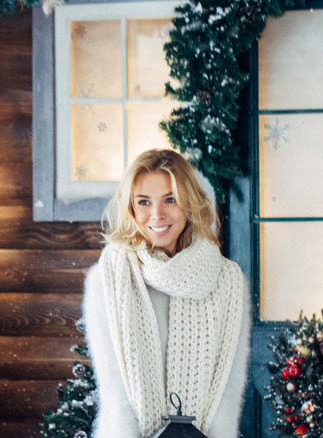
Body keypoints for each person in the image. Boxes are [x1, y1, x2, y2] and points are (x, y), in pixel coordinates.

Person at [82, 148, 251, 438]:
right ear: (131, 208)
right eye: (144, 202)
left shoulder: (227, 281)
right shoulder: (109, 278)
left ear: (189, 202)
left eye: (170, 199)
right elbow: (115, 389)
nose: (157, 214)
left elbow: (227, 391)